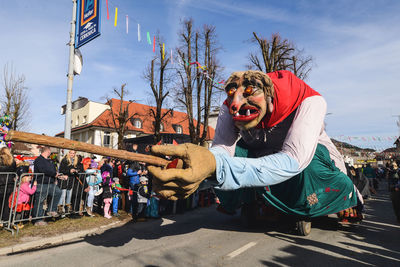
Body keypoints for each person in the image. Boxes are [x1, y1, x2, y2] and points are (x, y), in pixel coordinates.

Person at [148, 70, 363, 222]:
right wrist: (195, 172)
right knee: (234, 155)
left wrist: (215, 168)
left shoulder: (310, 101)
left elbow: (293, 160)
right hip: (260, 153)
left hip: (305, 156)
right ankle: (241, 200)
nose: (236, 104)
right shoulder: (228, 109)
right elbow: (222, 151)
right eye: (232, 95)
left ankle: (345, 200)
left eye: (249, 92)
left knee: (314, 163)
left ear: (269, 98)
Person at [33, 146, 62, 226]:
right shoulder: (38, 160)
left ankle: (51, 210)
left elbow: (54, 170)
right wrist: (54, 174)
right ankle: (38, 220)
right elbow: (43, 170)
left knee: (58, 192)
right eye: (50, 151)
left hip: (51, 183)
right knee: (40, 201)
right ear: (47, 151)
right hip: (41, 183)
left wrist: (56, 177)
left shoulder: (50, 161)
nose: (50, 153)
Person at [0, 147, 17, 223]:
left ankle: (2, 220)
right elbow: (15, 171)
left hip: (1, 184)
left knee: (2, 203)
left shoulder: (0, 160)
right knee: (6, 203)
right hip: (10, 184)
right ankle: (6, 220)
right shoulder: (12, 161)